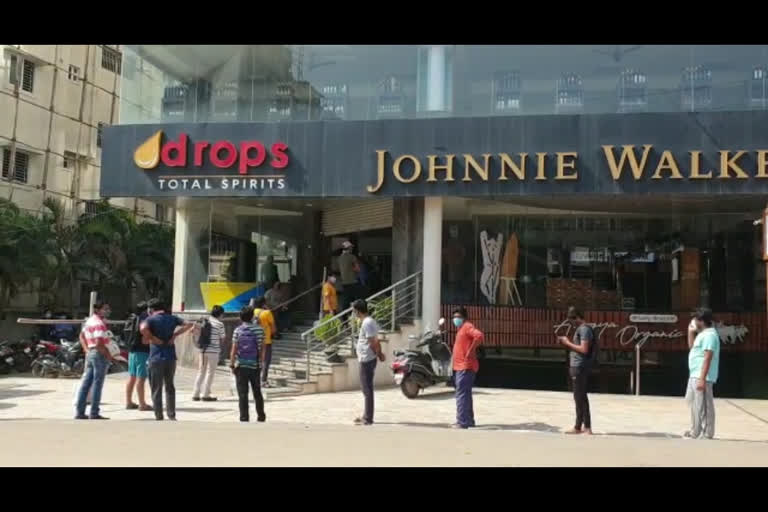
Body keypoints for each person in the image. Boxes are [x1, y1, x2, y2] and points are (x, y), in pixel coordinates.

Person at [140, 299, 196, 421]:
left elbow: (143, 328)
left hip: (155, 357)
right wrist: (175, 335)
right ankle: (171, 414)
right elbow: (189, 324)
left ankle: (159, 415)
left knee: (156, 387)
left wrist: (153, 339)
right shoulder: (172, 318)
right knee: (170, 386)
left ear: (151, 309)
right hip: (170, 357)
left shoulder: (150, 319)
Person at [557, 306, 597, 435]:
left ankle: (587, 427)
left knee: (581, 396)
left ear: (578, 317)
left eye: (572, 319)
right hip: (577, 366)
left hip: (580, 366)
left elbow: (584, 349)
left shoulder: (584, 329)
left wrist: (567, 342)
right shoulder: (581, 329)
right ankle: (578, 426)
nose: (571, 322)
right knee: (578, 396)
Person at [74, 301, 115, 420]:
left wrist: (87, 349)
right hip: (99, 354)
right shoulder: (99, 323)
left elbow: (82, 336)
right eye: (105, 309)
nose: (108, 311)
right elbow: (99, 343)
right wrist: (108, 355)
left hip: (92, 352)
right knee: (98, 384)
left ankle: (80, 412)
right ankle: (94, 412)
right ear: (98, 310)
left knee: (86, 383)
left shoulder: (89, 321)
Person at [685, 307, 720, 439]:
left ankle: (707, 432)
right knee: (695, 404)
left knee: (704, 405)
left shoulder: (710, 335)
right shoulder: (702, 334)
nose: (693, 320)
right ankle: (695, 431)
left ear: (701, 320)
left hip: (702, 376)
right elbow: (692, 348)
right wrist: (690, 331)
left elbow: (708, 357)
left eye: (695, 318)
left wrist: (702, 378)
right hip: (694, 374)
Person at [229, 305, 266, 423]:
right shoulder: (260, 330)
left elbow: (234, 349)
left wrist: (232, 364)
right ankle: (261, 416)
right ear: (252, 317)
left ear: (241, 317)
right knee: (257, 392)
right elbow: (262, 349)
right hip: (255, 365)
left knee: (242, 393)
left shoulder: (238, 330)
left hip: (241, 366)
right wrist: (260, 362)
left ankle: (244, 417)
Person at [451, 306, 484, 429]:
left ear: (464, 317)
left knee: (461, 394)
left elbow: (479, 335)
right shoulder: (461, 329)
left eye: (458, 317)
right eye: (454, 317)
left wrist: (471, 350)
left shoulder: (467, 327)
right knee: (465, 394)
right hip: (461, 366)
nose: (455, 319)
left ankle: (462, 421)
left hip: (465, 366)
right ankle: (468, 420)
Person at [352, 299, 384, 426]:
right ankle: (366, 415)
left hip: (367, 358)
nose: (353, 313)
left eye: (354, 311)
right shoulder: (367, 322)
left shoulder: (367, 323)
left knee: (367, 388)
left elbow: (373, 341)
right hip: (367, 357)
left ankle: (368, 418)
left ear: (358, 311)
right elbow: (375, 340)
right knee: (366, 388)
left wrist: (379, 354)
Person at [192, 305, 226, 402]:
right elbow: (223, 338)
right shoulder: (220, 324)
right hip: (213, 351)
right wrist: (219, 346)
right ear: (220, 314)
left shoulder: (204, 321)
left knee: (201, 371)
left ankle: (196, 394)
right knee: (210, 372)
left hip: (203, 350)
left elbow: (194, 331)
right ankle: (206, 394)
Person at [125, 301, 152, 411]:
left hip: (132, 351)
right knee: (141, 378)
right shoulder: (144, 319)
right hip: (142, 352)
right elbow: (144, 337)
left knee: (132, 377)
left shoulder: (132, 318)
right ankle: (142, 404)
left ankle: (129, 402)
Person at [253, 297, 276, 387]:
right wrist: (274, 334)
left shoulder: (253, 311)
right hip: (266, 340)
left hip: (254, 340)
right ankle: (263, 381)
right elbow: (273, 328)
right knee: (266, 361)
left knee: (256, 361)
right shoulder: (267, 312)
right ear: (264, 303)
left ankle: (255, 380)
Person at [338, 241, 360, 311]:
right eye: (351, 247)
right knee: (355, 301)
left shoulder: (339, 258)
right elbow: (358, 269)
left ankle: (344, 318)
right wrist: (352, 268)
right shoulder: (352, 257)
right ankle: (354, 316)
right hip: (352, 281)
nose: (352, 249)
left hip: (344, 282)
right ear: (348, 248)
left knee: (346, 300)